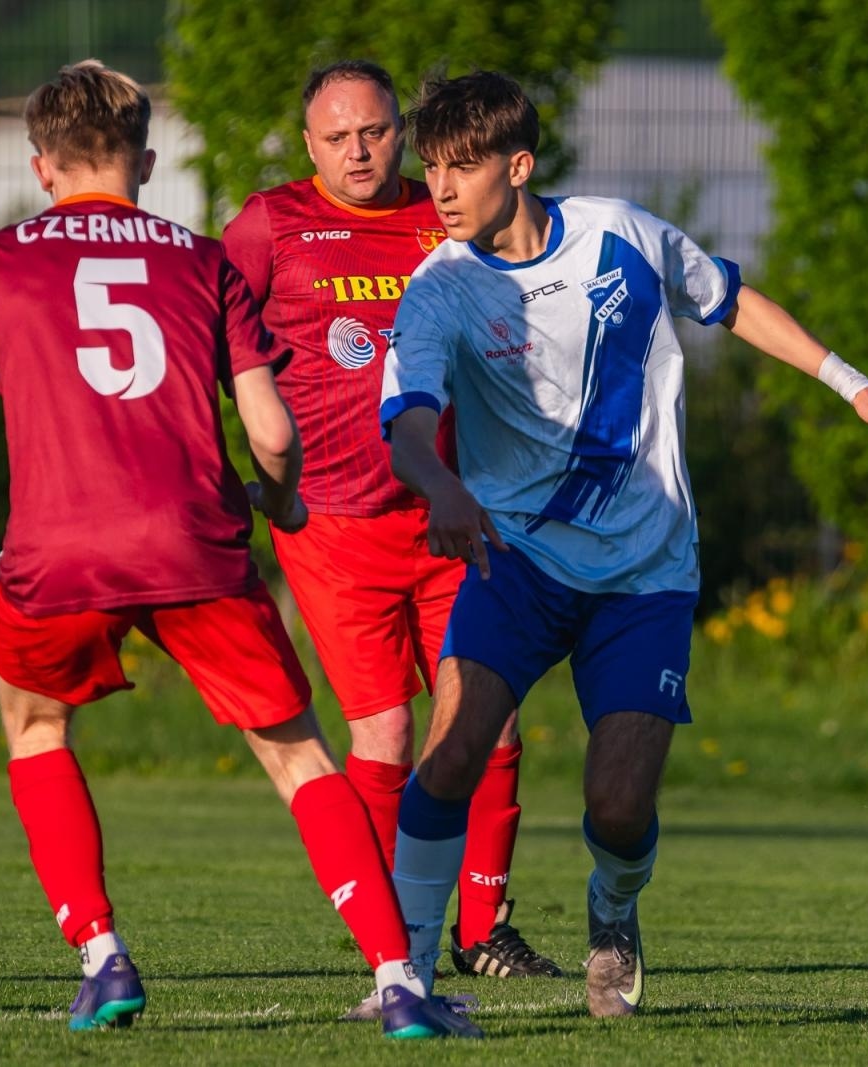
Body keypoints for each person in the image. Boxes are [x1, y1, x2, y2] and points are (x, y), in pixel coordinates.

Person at [0, 60, 478, 1041]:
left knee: (37, 730)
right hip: (195, 540)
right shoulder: (203, 263)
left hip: (56, 550)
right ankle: (397, 978)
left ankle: (101, 953)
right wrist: (281, 500)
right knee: (300, 756)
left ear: (41, 167)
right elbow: (272, 429)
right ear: (147, 162)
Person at [380, 71, 868, 1020]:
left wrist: (851, 383)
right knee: (452, 752)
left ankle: (614, 911)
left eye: (463, 167)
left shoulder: (621, 235)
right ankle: (406, 973)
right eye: (432, 168)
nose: (442, 190)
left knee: (620, 806)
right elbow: (409, 423)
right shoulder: (441, 289)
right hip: (518, 563)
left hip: (645, 571)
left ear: (519, 165)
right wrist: (443, 484)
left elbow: (731, 301)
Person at [221, 60, 560, 992]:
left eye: (374, 131)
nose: (358, 151)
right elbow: (206, 339)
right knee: (386, 738)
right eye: (337, 137)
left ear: (400, 133)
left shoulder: (442, 214)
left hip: (452, 516)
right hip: (333, 528)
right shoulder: (268, 225)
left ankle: (484, 929)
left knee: (493, 722)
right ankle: (393, 944)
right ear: (308, 145)